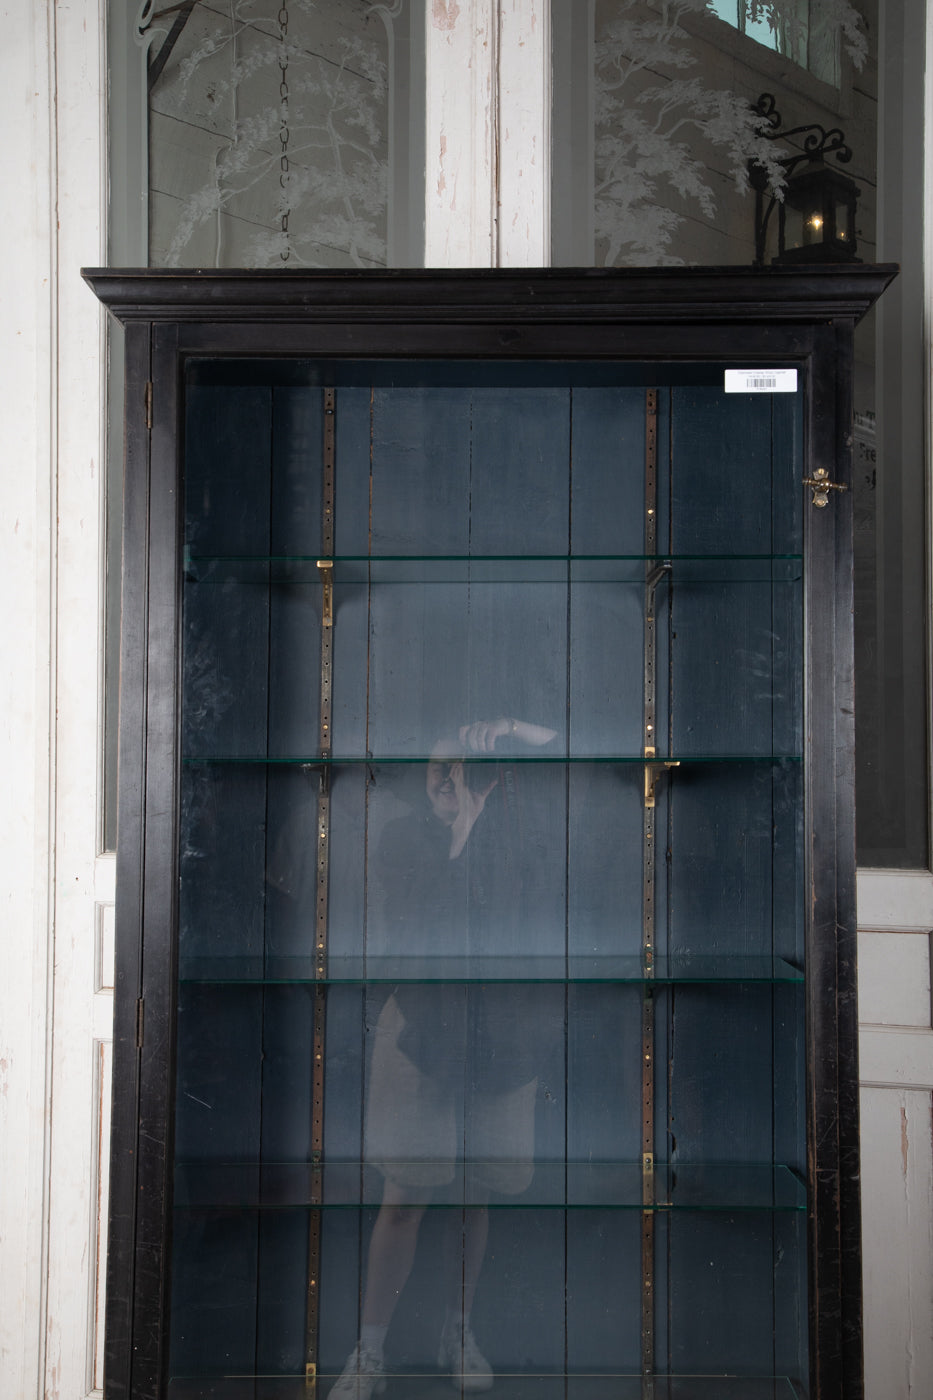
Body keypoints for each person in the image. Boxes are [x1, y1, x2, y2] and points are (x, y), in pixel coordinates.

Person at [330, 716, 557, 1399]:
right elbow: (422, 924)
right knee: (404, 1195)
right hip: (420, 1032)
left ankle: (458, 1331)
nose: (450, 785)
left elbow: (530, 907)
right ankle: (368, 1351)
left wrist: (512, 731)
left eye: (464, 773)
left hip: (499, 1031)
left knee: (475, 1194)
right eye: (439, 774)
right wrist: (462, 834)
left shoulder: (516, 834)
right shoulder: (404, 838)